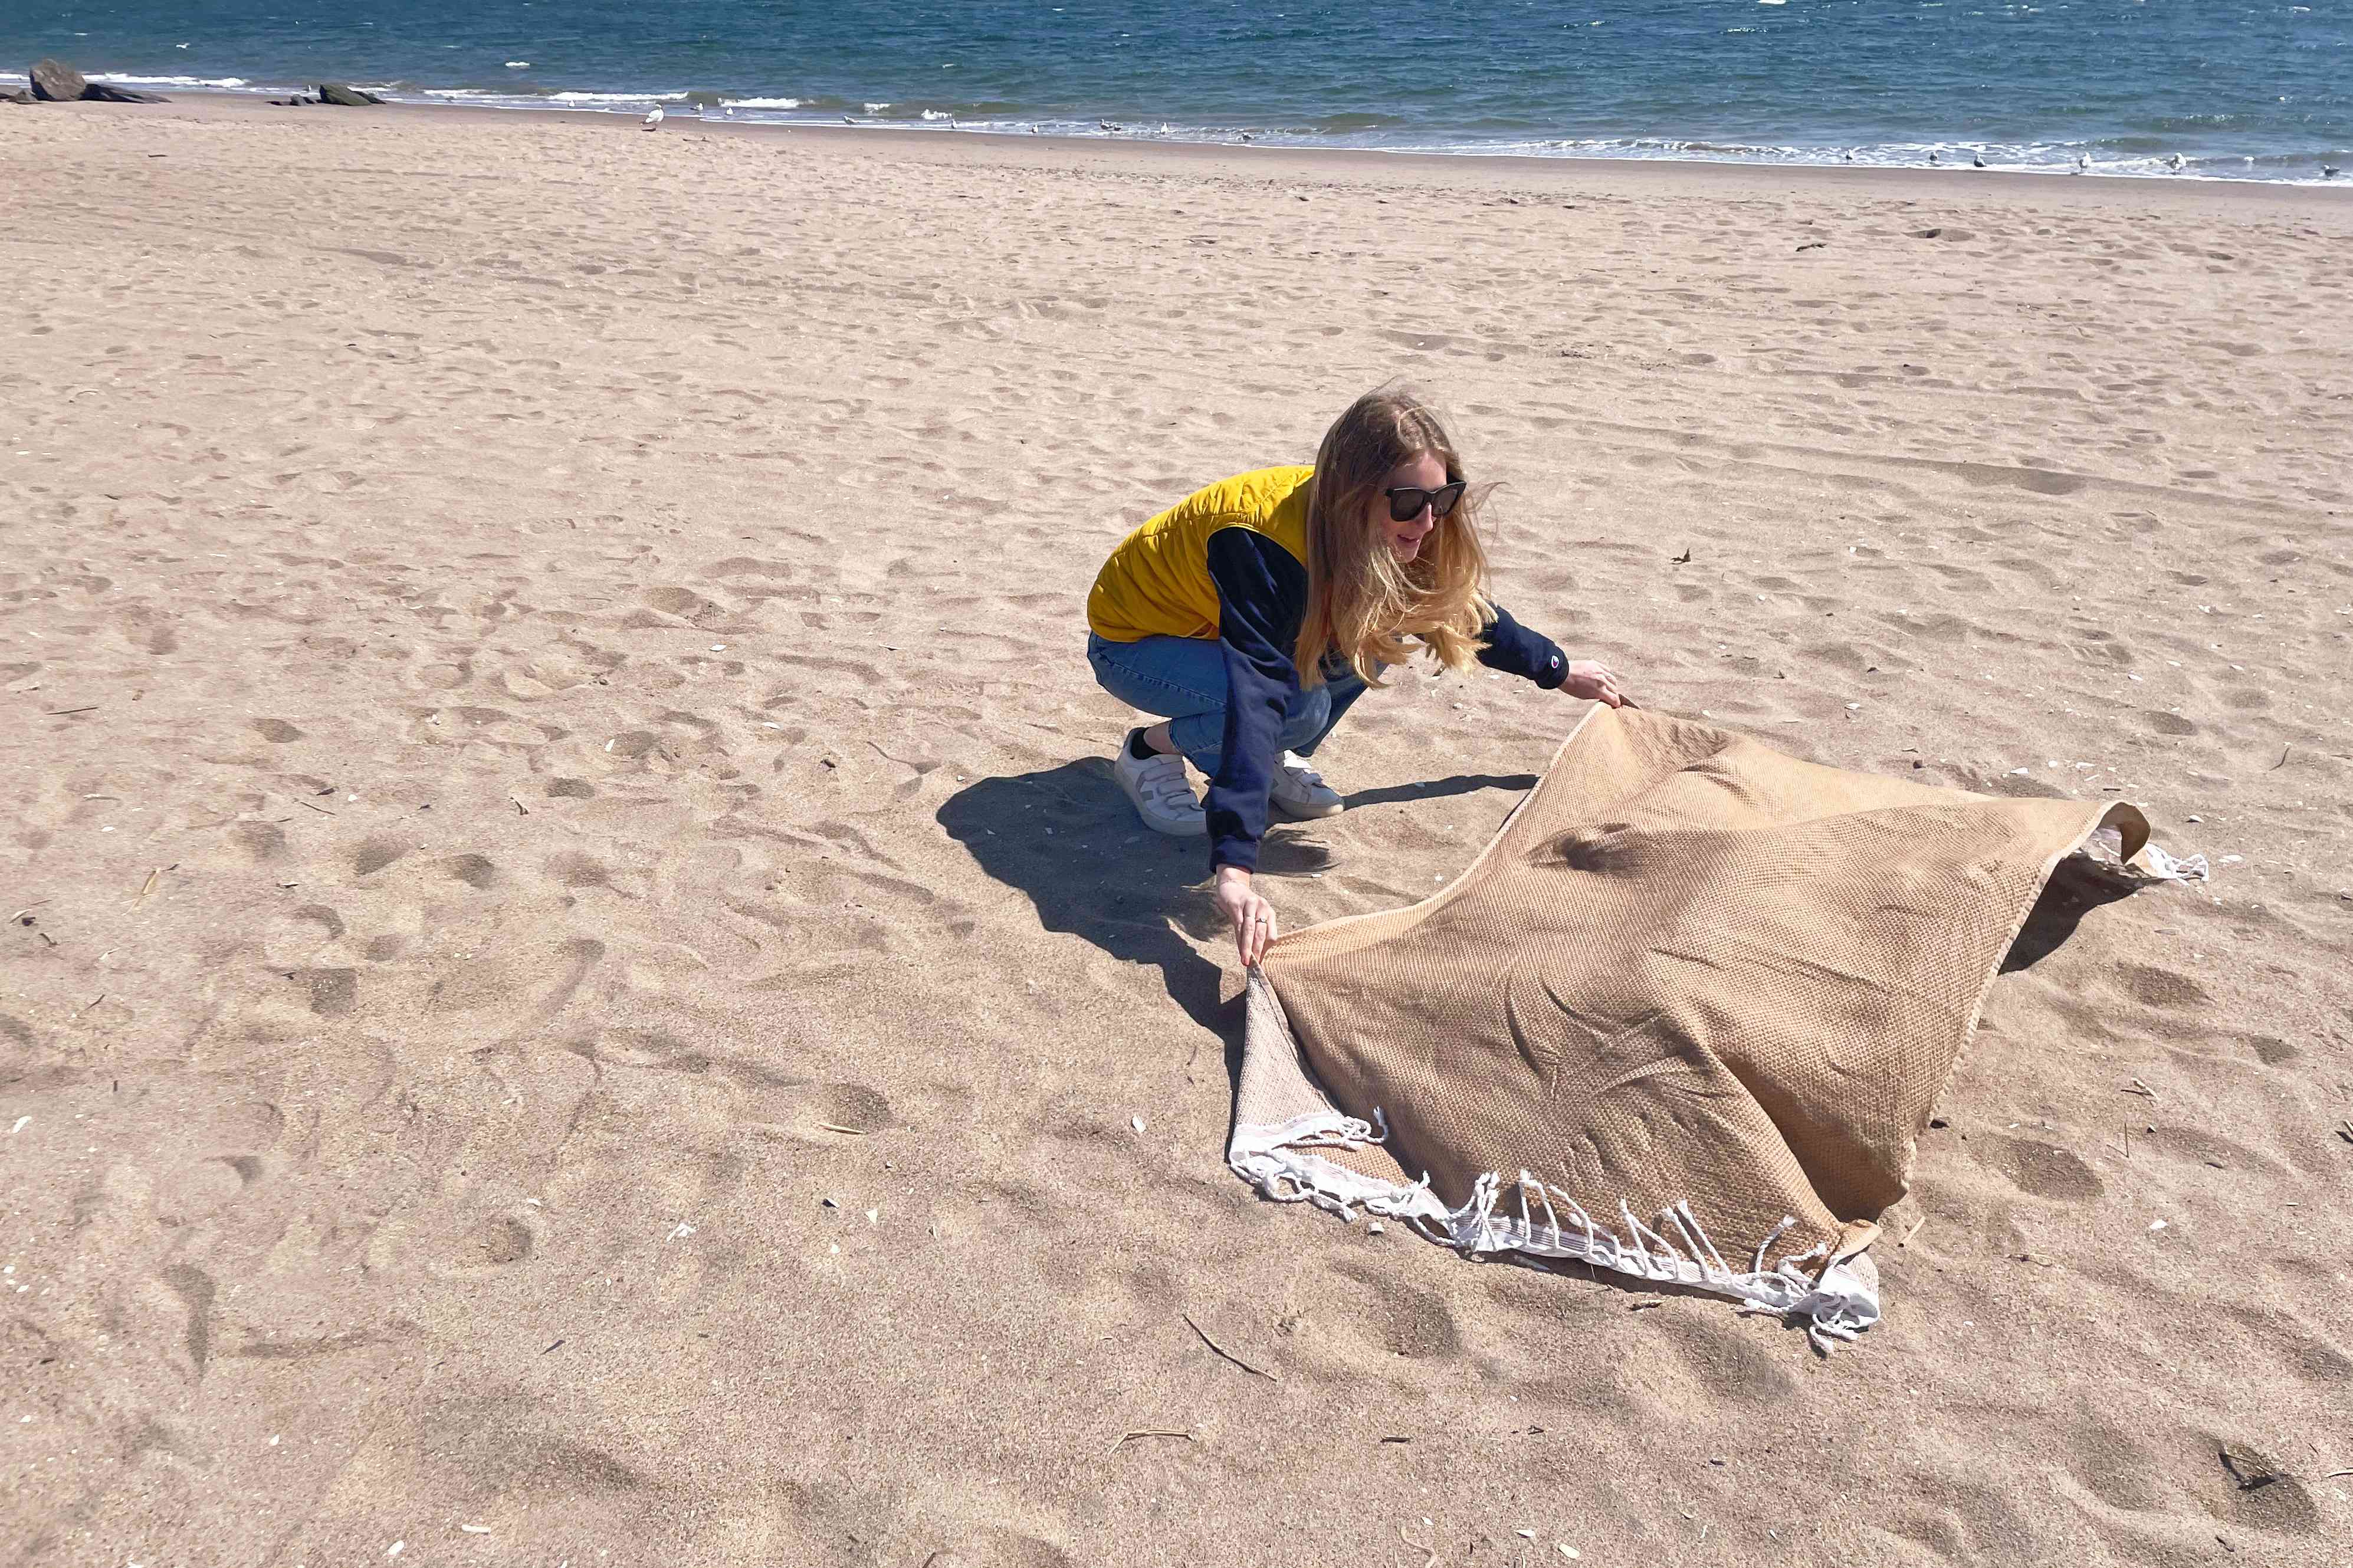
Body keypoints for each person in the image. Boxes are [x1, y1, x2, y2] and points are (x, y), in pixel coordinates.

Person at [1084, 386, 1629, 967]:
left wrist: (1557, 668)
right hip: (1135, 642)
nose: (1426, 521)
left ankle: (1265, 754)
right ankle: (1147, 751)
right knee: (1287, 710)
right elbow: (1256, 693)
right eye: (1407, 503)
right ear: (1352, 496)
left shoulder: (1382, 529)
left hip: (1216, 636)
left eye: (1443, 498)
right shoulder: (1258, 543)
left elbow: (1450, 607)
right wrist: (1234, 872)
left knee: (1370, 635)